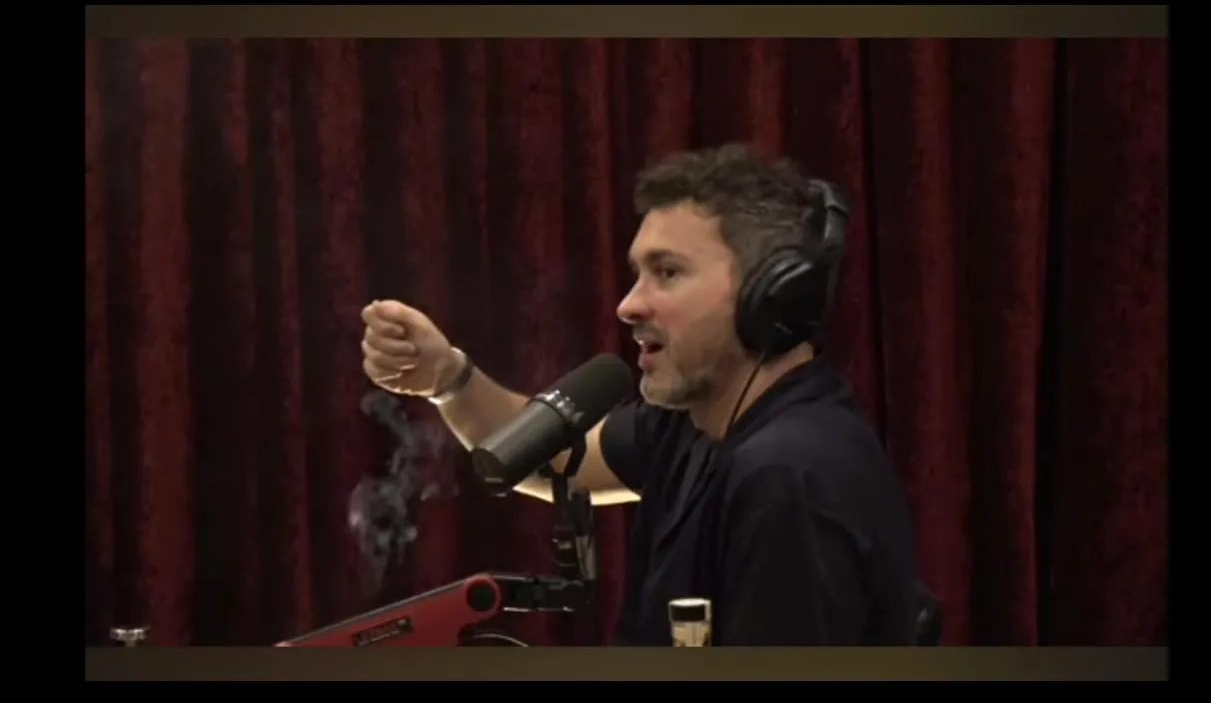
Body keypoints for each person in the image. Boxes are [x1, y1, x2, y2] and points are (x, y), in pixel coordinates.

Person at [360, 143, 919, 645]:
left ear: (769, 294)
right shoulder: (693, 424)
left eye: (667, 273)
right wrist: (449, 378)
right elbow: (549, 459)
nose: (628, 305)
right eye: (638, 274)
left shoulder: (788, 476)